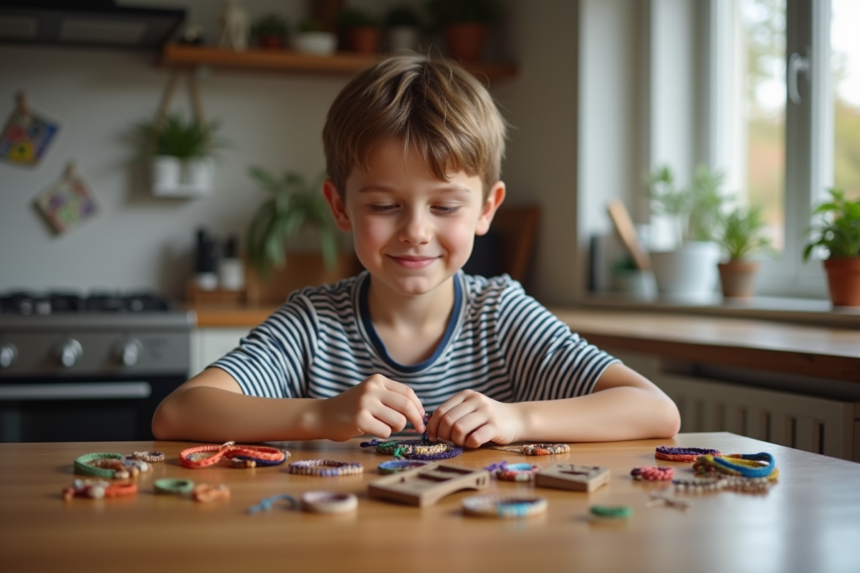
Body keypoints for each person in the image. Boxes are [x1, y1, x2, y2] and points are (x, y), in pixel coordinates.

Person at [152, 55, 680, 446]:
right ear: (340, 208)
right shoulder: (313, 323)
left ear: (486, 210)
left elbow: (654, 410)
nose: (416, 232)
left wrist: (518, 420)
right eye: (384, 206)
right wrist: (319, 416)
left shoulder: (500, 314)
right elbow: (178, 413)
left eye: (445, 207)